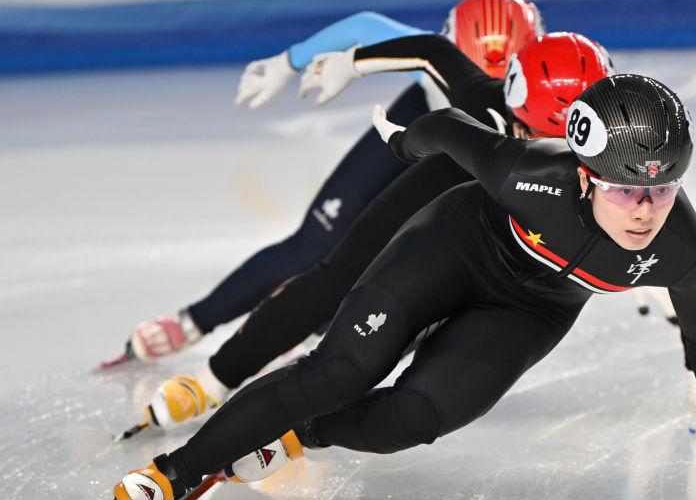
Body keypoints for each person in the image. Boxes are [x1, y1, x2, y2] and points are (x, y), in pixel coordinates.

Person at [92, 74, 696, 500]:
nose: (645, 211)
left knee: (410, 419)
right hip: (459, 243)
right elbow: (451, 129)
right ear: (584, 173)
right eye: (626, 191)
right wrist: (399, 141)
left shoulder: (684, 252)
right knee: (342, 368)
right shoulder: (532, 176)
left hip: (532, 310)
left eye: (663, 192)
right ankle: (175, 470)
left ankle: (300, 434)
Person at [134, 31, 611, 435]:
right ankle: (215, 377)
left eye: (565, 147)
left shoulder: (609, 159)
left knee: (426, 331)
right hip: (444, 196)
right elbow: (433, 50)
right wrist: (350, 62)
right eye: (529, 132)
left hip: (508, 249)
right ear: (511, 99)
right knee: (335, 278)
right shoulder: (484, 101)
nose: (542, 153)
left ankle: (309, 421)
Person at [111, 0, 542, 365]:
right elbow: (365, 26)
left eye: (501, 87)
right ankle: (195, 320)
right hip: (412, 125)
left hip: (470, 158)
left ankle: (317, 342)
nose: (479, 91)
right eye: (470, 76)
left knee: (403, 264)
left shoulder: (538, 92)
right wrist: (288, 61)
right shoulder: (431, 56)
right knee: (314, 243)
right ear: (450, 47)